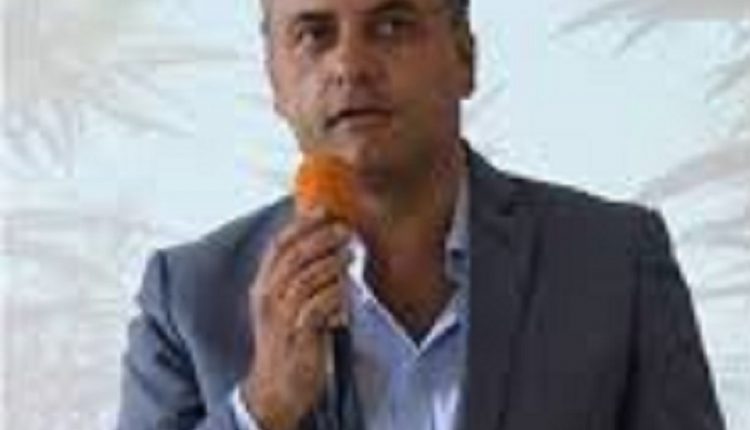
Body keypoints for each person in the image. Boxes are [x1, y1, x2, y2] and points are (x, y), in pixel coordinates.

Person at [116, 0, 726, 428]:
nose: (350, 65)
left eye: (392, 25)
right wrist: (261, 409)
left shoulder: (613, 262)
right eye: (314, 34)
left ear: (465, 57)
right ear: (274, 79)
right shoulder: (188, 298)